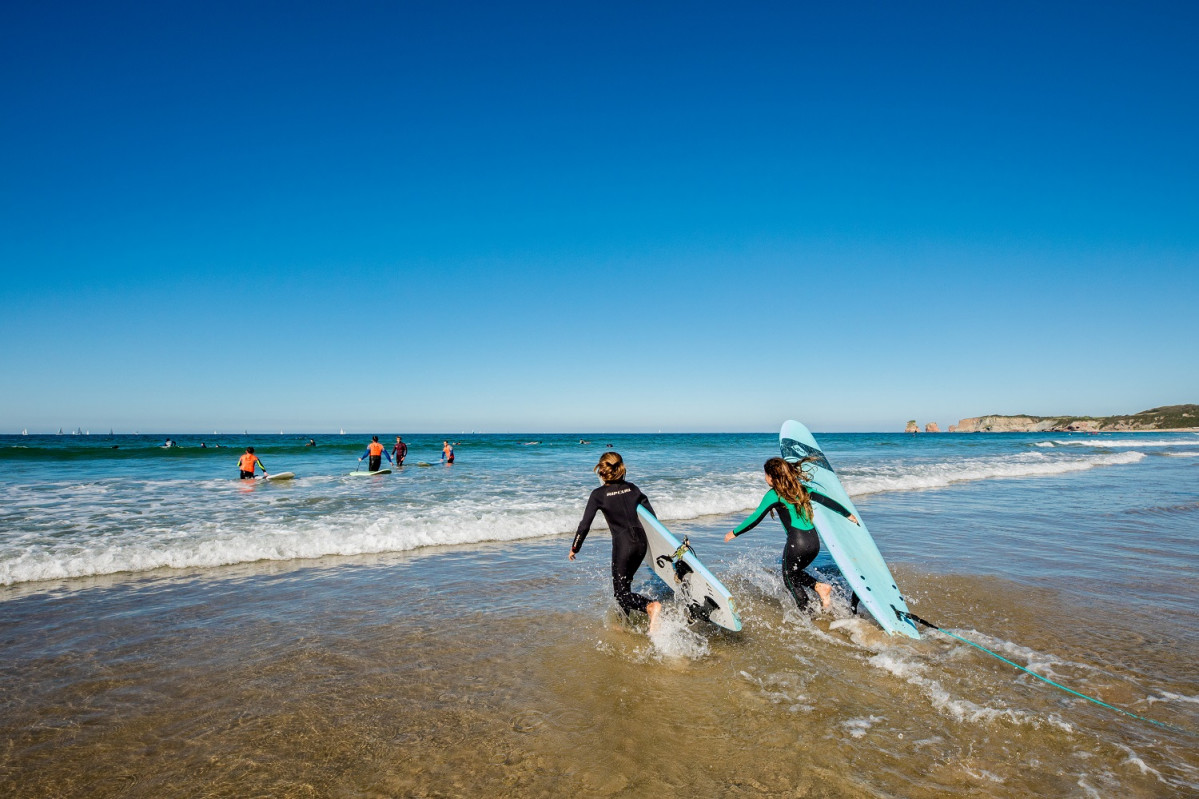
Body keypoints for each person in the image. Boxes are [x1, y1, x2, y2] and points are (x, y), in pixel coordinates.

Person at [724, 457, 858, 611]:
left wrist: (734, 533)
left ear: (772, 476)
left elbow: (756, 517)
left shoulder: (774, 494)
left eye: (766, 474)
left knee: (789, 579)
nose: (765, 477)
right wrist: (848, 515)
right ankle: (819, 589)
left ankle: (809, 613)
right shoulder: (802, 489)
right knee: (794, 574)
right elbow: (827, 501)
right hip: (814, 543)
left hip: (797, 543)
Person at [569, 452, 663, 629]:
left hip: (623, 546)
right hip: (641, 544)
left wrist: (575, 547)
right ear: (620, 468)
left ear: (601, 471)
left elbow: (584, 525)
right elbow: (652, 519)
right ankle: (623, 624)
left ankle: (650, 606)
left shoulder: (598, 495)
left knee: (620, 593)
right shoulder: (633, 488)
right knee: (624, 586)